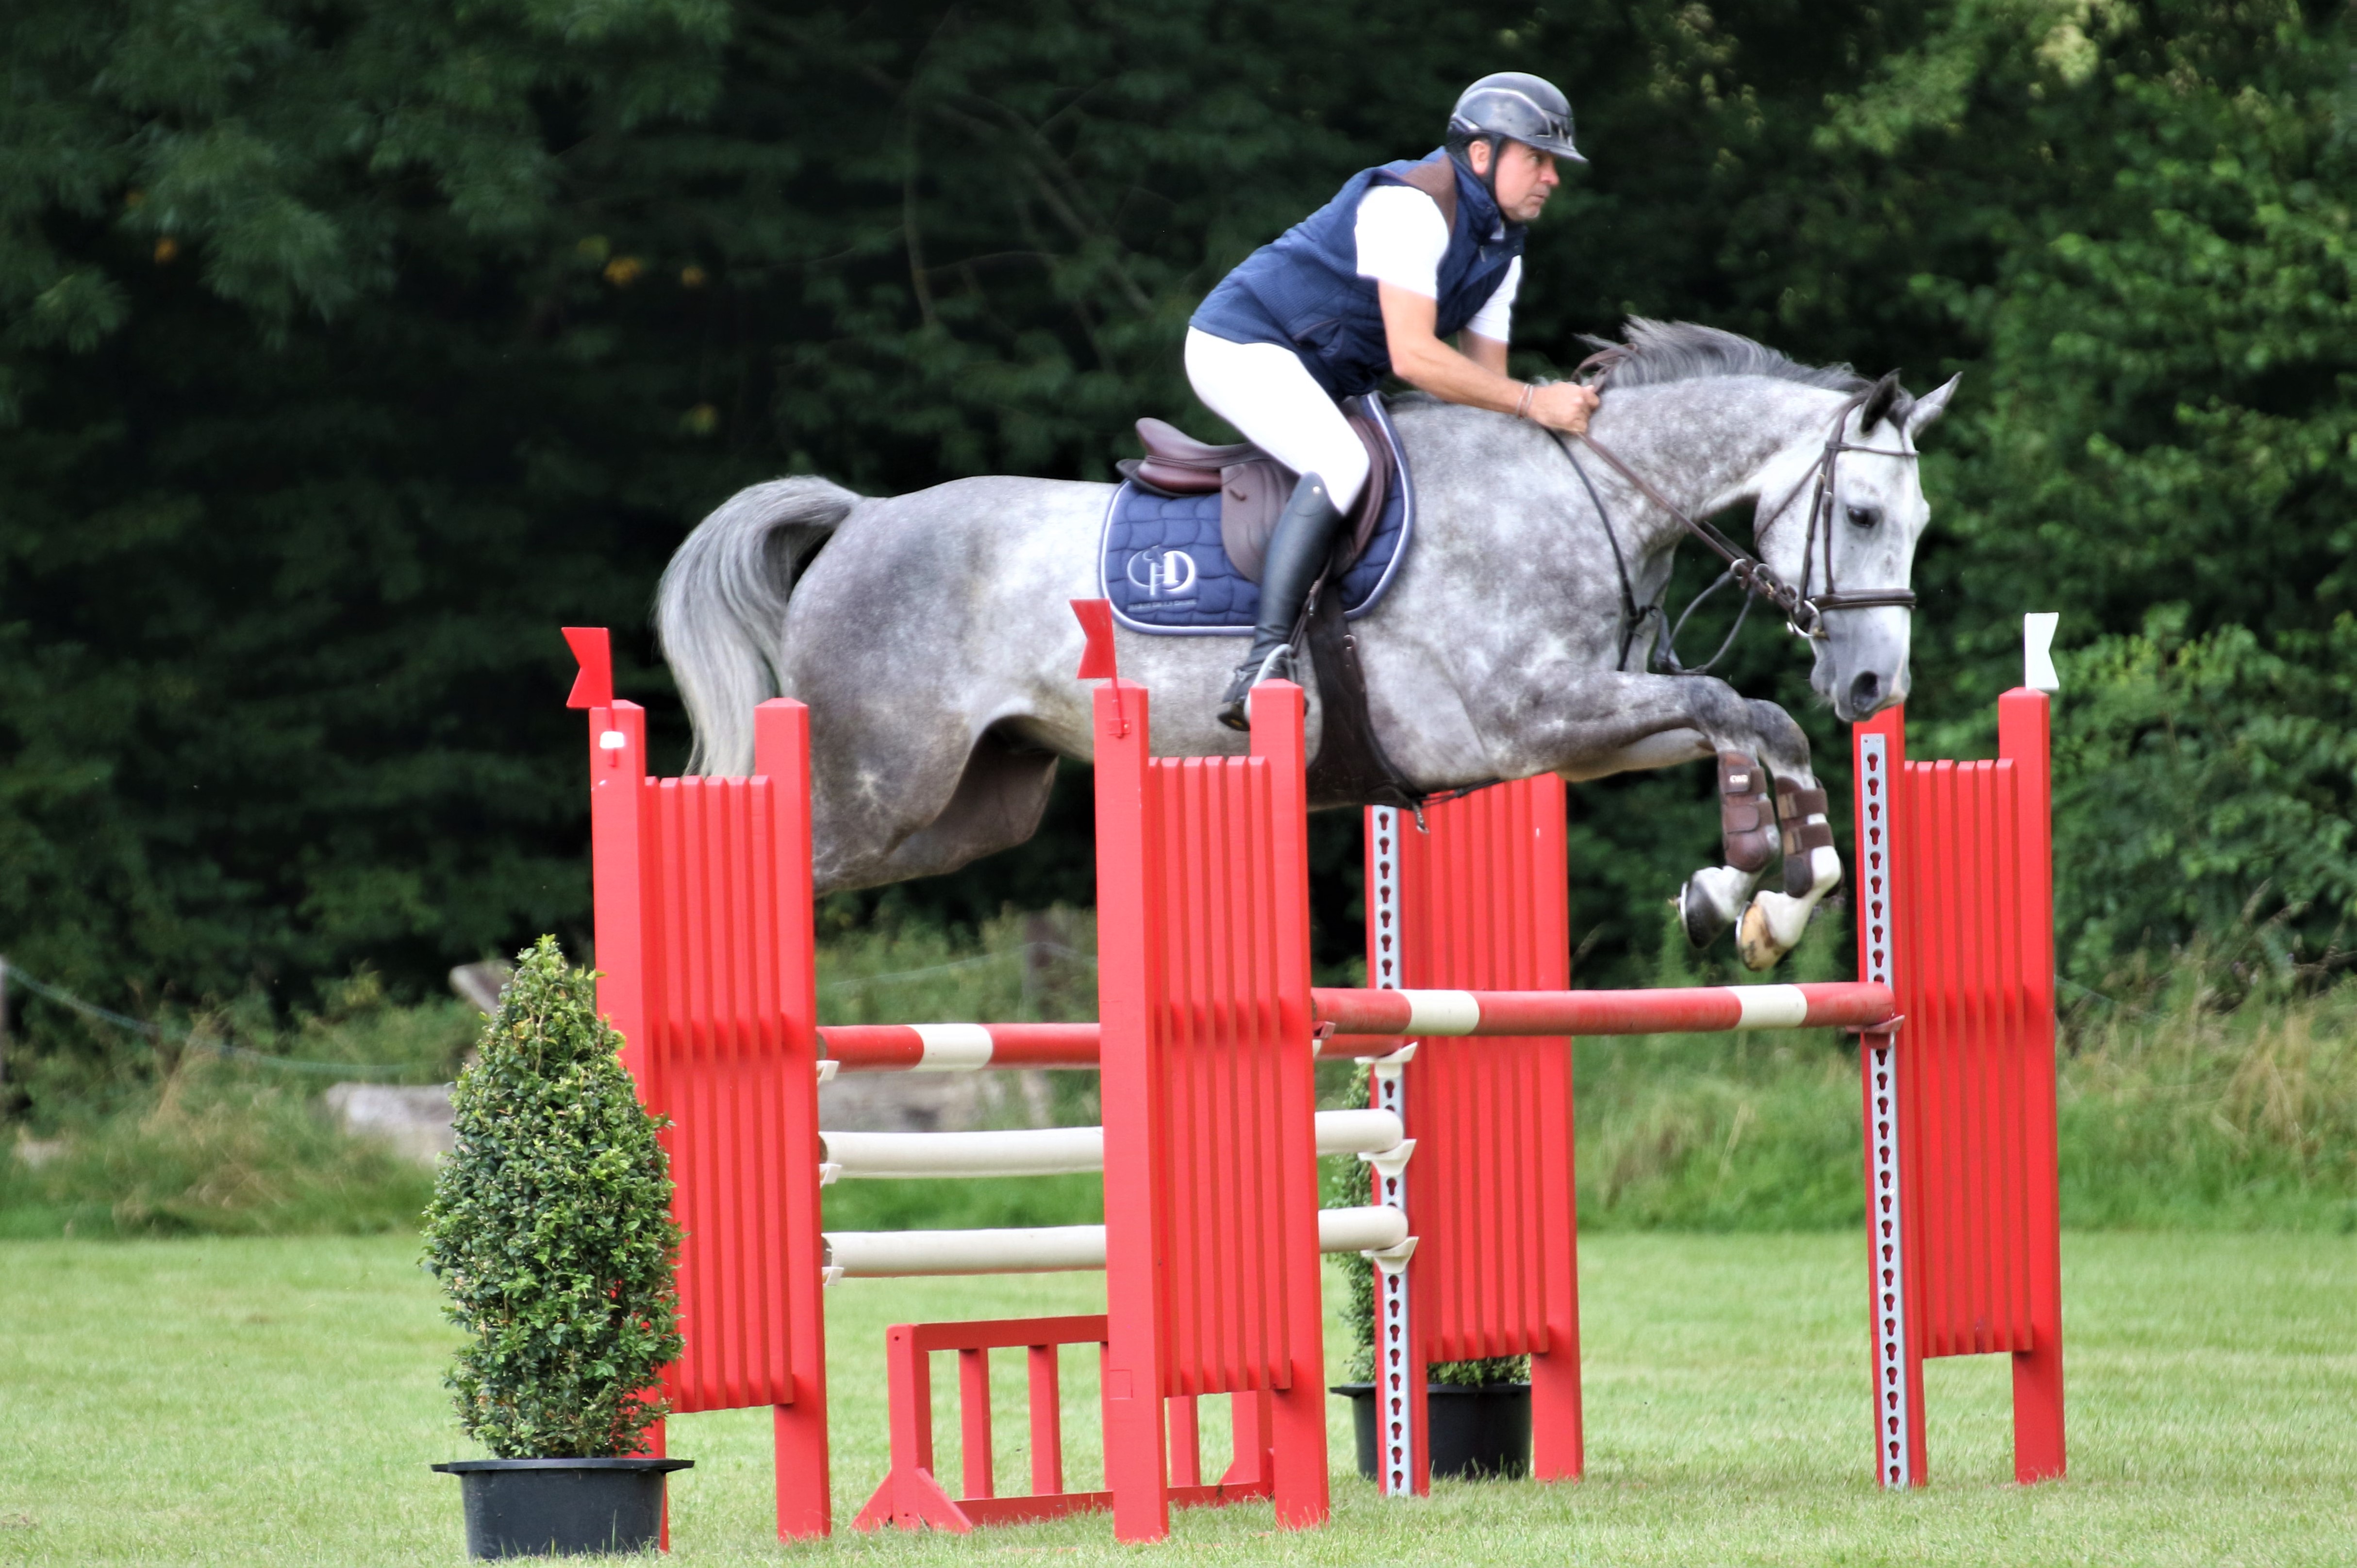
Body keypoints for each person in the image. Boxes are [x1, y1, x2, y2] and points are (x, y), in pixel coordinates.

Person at [1187, 72, 1602, 729]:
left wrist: (1540, 412)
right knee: (1342, 462)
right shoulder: (1411, 207)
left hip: (1322, 374)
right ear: (1482, 154)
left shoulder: (1501, 251)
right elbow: (1414, 358)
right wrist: (1534, 401)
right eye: (1538, 158)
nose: (1552, 177)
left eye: (1554, 163)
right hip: (1240, 344)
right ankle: (1262, 665)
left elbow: (1482, 389)